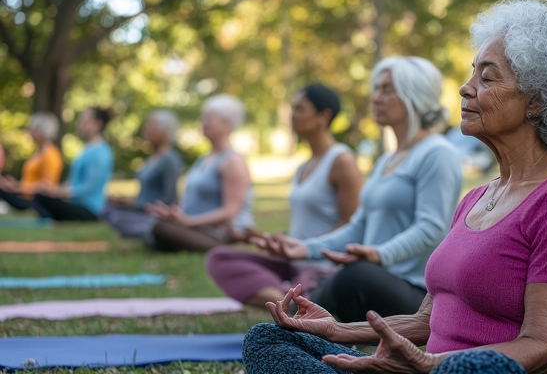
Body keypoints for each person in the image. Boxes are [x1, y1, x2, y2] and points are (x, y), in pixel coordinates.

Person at [242, 0, 547, 374]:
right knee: (269, 340)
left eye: (487, 77)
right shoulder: (477, 197)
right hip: (428, 367)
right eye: (471, 73)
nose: (465, 88)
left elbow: (545, 348)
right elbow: (428, 321)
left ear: (537, 101)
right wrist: (337, 330)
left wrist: (431, 366)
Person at [251, 56, 463, 323]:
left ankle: (297, 318)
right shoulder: (387, 159)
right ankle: (302, 316)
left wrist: (379, 254)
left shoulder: (437, 153)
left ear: (415, 95)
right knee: (353, 273)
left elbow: (432, 228)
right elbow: (358, 226)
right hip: (372, 279)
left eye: (386, 90)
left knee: (355, 273)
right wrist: (305, 248)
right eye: (376, 89)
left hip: (415, 292)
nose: (375, 98)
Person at [206, 83, 363, 307]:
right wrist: (276, 239)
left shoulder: (341, 161)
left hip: (325, 268)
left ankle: (297, 301)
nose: (292, 115)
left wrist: (307, 248)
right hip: (294, 261)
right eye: (293, 108)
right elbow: (308, 225)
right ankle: (292, 303)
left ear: (323, 116)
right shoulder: (303, 166)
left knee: (307, 281)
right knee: (219, 258)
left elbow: (352, 225)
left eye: (300, 109)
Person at [146, 94, 255, 252]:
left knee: (160, 228)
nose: (203, 123)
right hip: (194, 228)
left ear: (227, 124)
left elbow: (231, 211)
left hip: (221, 235)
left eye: (209, 119)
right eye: (203, 118)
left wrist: (188, 222)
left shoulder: (233, 162)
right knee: (157, 224)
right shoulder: (203, 159)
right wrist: (173, 213)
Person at [102, 110, 183, 244]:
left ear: (166, 132)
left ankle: (151, 232)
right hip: (140, 211)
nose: (146, 129)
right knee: (108, 208)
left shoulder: (170, 160)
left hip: (154, 216)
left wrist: (134, 204)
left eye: (152, 126)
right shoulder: (152, 158)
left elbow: (169, 199)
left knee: (118, 217)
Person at [34, 107, 114, 221]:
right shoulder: (86, 149)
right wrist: (53, 190)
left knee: (42, 198)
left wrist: (56, 191)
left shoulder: (101, 152)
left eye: (85, 121)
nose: (80, 124)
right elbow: (74, 182)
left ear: (98, 124)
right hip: (76, 205)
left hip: (90, 210)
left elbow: (88, 187)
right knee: (41, 196)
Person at [0, 112, 63, 216]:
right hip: (25, 196)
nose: (29, 132)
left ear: (42, 131)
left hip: (35, 201)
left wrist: (16, 187)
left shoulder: (51, 154)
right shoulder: (38, 153)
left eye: (32, 129)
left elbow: (46, 187)